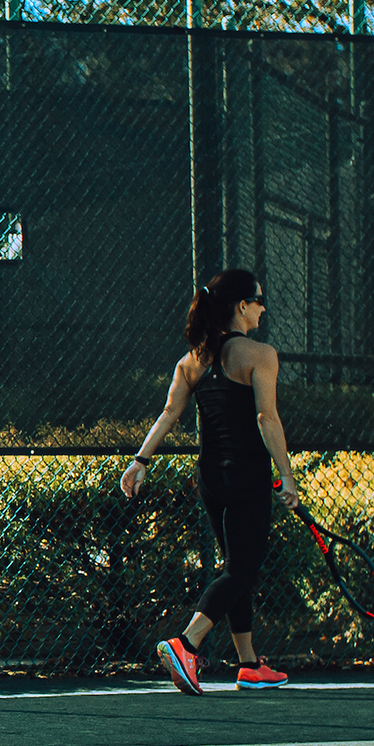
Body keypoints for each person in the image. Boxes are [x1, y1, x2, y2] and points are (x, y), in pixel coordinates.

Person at [121, 269, 298, 694]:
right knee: (242, 569)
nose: (263, 307)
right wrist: (286, 474)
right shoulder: (260, 354)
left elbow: (168, 413)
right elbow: (265, 417)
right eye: (258, 300)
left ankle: (250, 665)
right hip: (246, 476)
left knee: (236, 568)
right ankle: (187, 643)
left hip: (211, 480)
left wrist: (140, 461)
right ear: (241, 306)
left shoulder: (191, 360)